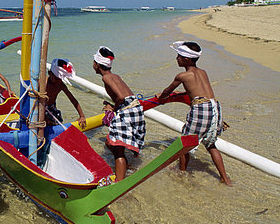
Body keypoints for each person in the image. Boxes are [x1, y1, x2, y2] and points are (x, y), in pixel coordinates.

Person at [157, 41, 232, 185]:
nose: (176, 58)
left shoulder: (182, 75)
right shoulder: (203, 72)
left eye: (179, 56)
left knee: (185, 142)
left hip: (201, 109)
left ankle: (182, 173)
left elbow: (167, 91)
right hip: (214, 108)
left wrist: (162, 98)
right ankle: (224, 177)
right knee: (210, 144)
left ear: (186, 59)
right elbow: (197, 90)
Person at [93, 46, 145, 181]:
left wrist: (114, 109)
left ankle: (119, 182)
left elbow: (121, 97)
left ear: (97, 65)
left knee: (117, 150)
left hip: (126, 109)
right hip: (135, 108)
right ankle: (125, 166)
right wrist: (112, 104)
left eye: (93, 61)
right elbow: (123, 96)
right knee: (109, 143)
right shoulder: (114, 76)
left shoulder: (106, 78)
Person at [45, 58, 86, 129]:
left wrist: (81, 116)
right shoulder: (43, 83)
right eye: (56, 79)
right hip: (40, 106)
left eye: (60, 80)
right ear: (49, 73)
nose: (58, 82)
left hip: (51, 107)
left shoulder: (60, 85)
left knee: (58, 122)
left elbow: (73, 100)